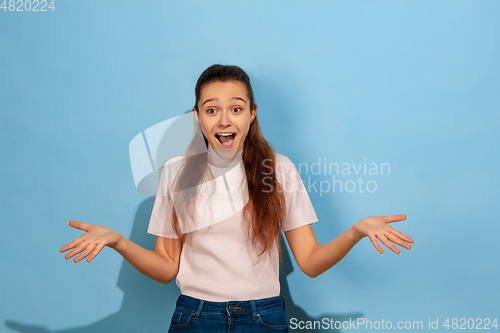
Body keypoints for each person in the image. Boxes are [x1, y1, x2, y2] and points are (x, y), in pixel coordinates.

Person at [60, 64, 415, 332]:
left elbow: (309, 261)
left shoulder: (279, 170)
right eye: (212, 110)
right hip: (194, 317)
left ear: (252, 113)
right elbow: (167, 267)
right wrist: (117, 241)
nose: (224, 120)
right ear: (198, 117)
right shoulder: (176, 172)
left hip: (264, 317)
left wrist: (355, 232)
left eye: (236, 108)